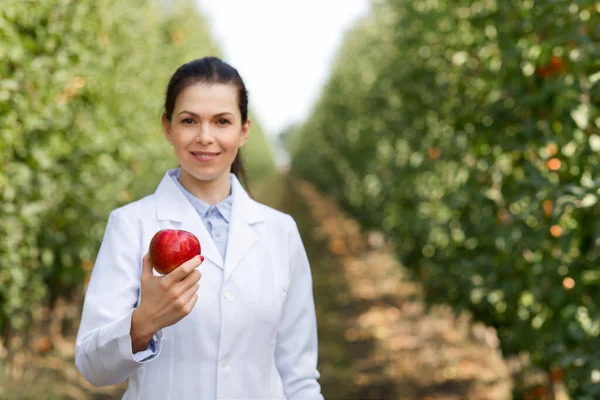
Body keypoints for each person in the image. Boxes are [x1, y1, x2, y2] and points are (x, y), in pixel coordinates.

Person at [75, 57, 324, 400]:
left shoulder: (280, 232)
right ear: (168, 127)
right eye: (189, 121)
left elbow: (298, 374)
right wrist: (144, 322)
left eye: (222, 121)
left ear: (244, 130)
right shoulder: (130, 224)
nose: (205, 137)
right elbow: (91, 366)